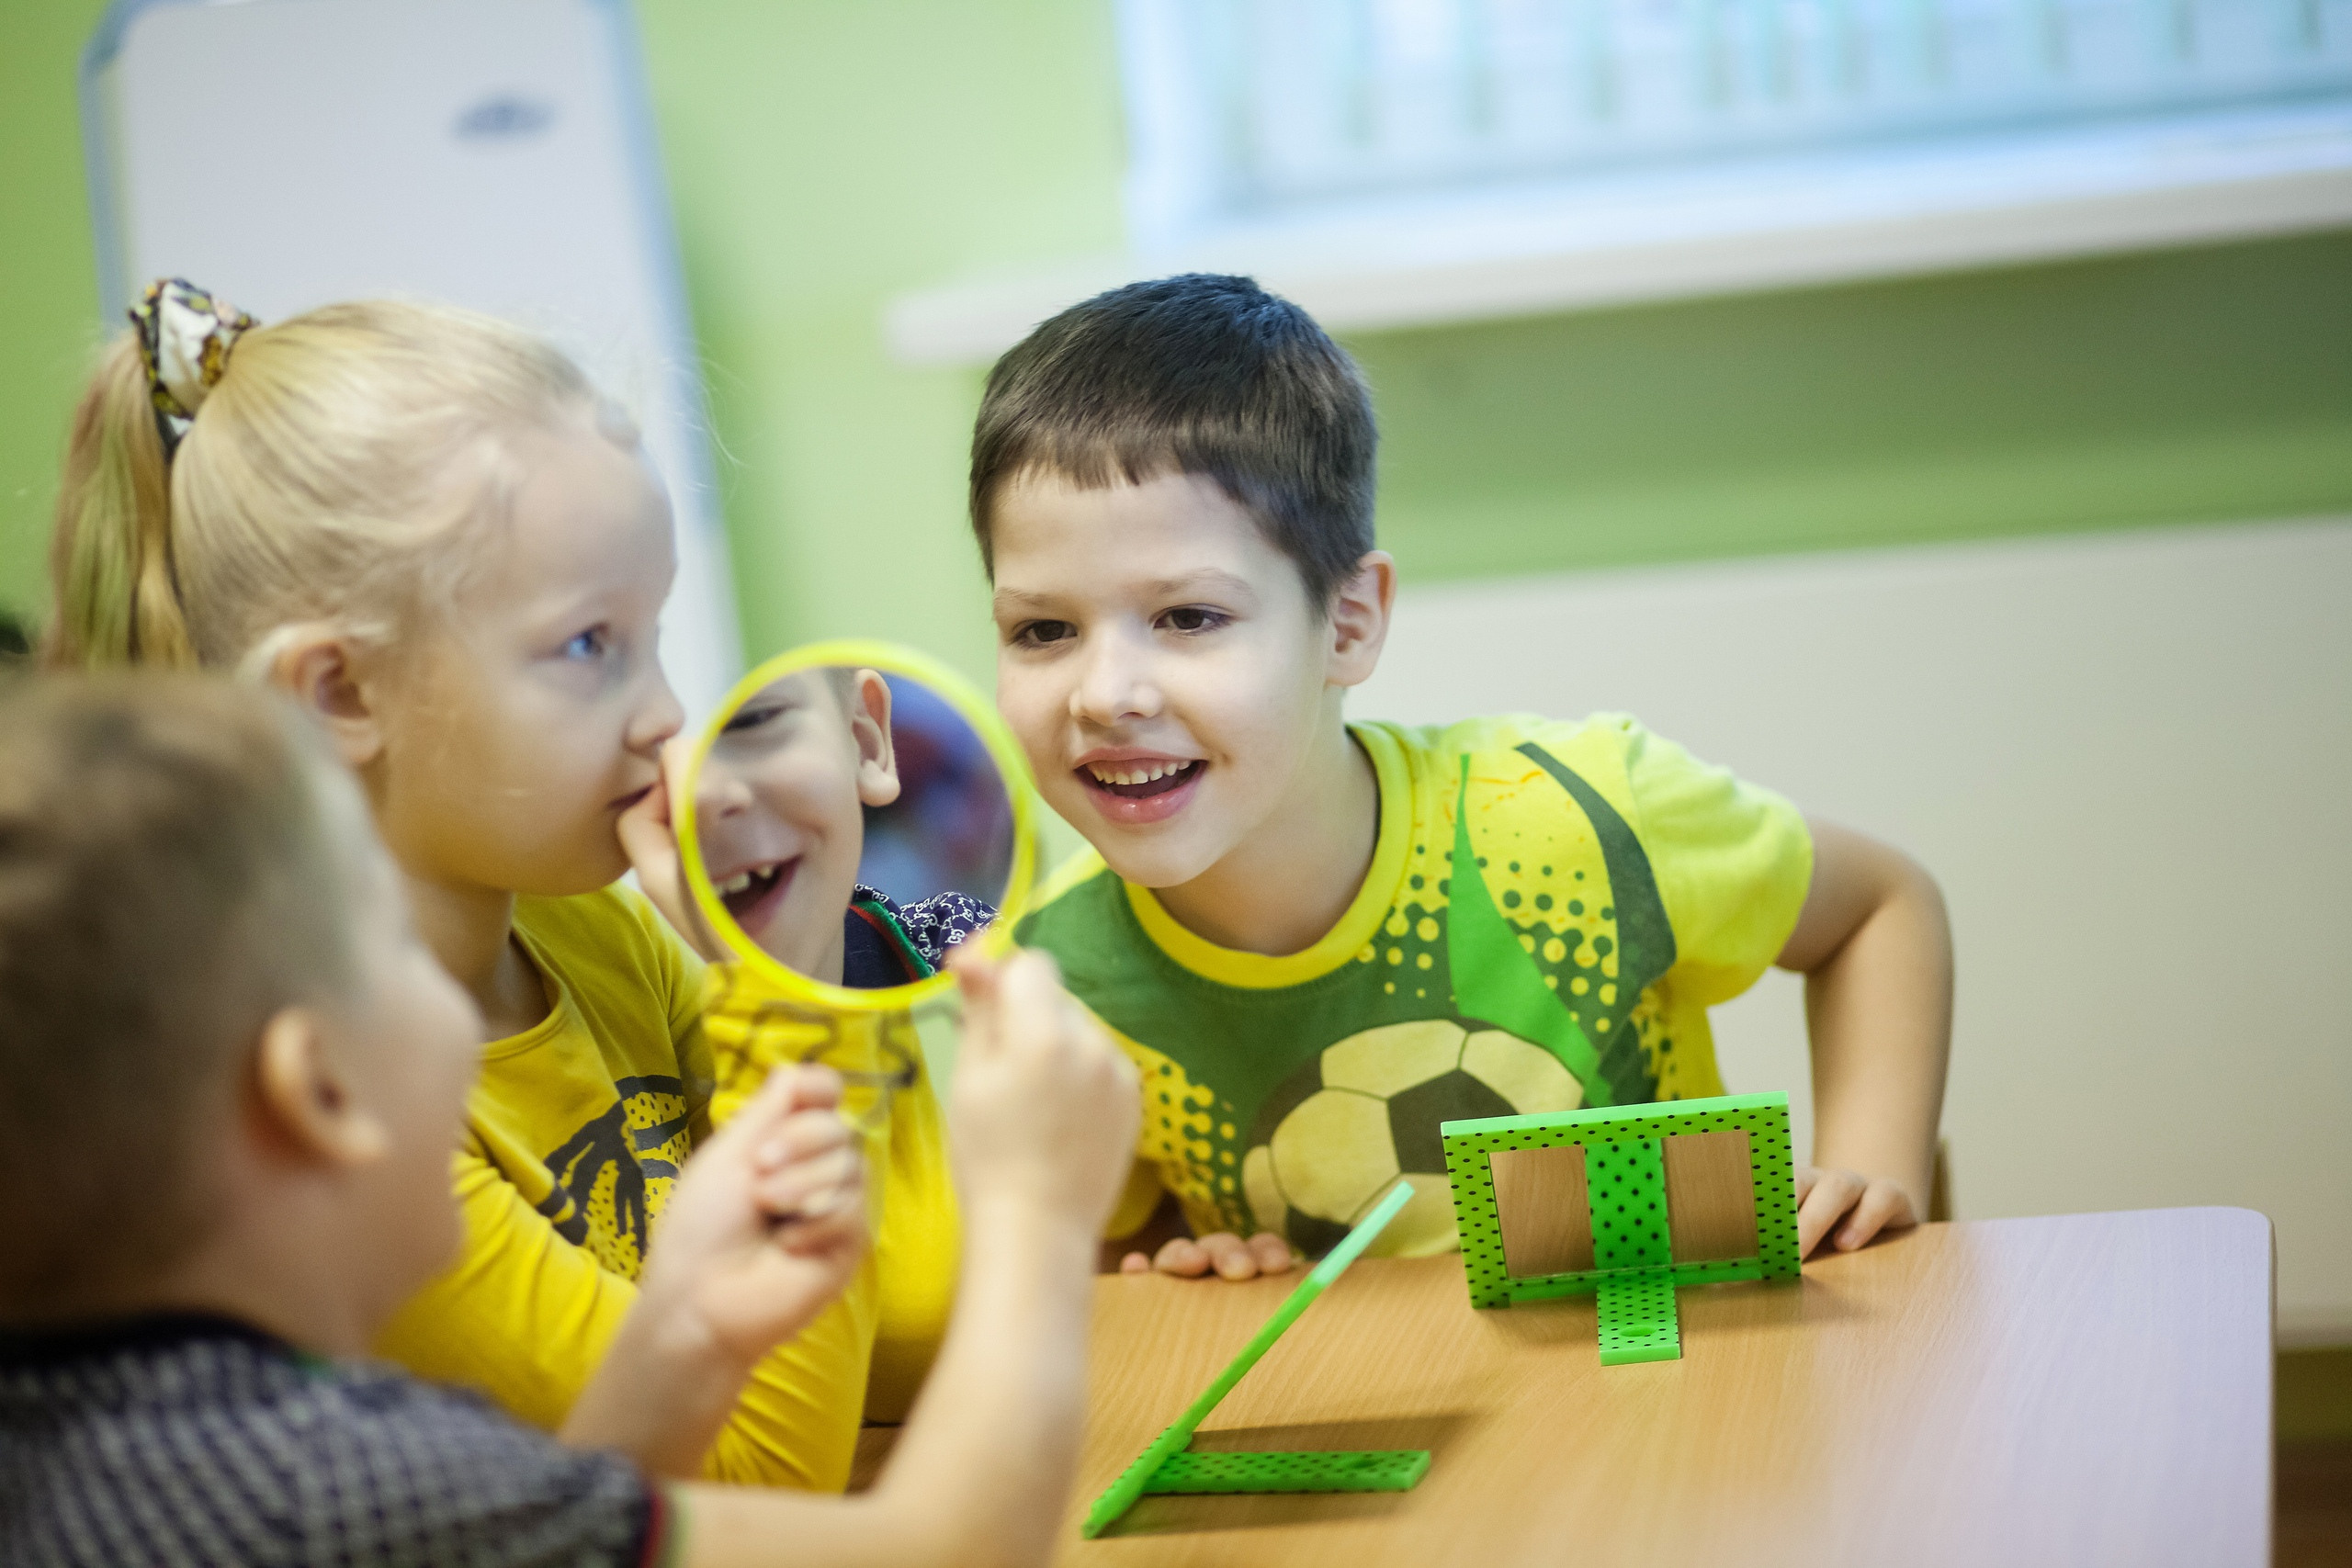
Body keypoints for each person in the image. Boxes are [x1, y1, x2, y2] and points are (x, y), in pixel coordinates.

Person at [42, 279, 951, 1478]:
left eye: (653, 633)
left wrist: (790, 972)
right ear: (341, 696)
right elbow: (755, 1476)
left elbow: (895, 1333)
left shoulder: (588, 936)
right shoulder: (341, 1119)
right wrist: (789, 1023)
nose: (669, 714)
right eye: (590, 646)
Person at [0, 673, 1137, 1568]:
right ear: (320, 1092)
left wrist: (680, 1335)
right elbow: (947, 1552)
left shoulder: (93, 1443)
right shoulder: (320, 1482)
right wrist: (1040, 1209)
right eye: (399, 946)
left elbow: (551, 1536)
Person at [970, 274, 1953, 1279]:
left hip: (1692, 1375)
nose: (1105, 694)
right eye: (1042, 630)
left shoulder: (1578, 814)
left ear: (1347, 623)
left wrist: (1874, 1173)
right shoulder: (1049, 980)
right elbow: (1116, 1262)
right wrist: (1190, 1265)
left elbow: (1880, 906)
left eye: (1189, 618)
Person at [630, 666, 995, 988]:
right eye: (645, 783)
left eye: (753, 720)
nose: (700, 795)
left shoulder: (962, 941)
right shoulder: (638, 1022)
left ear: (863, 742)